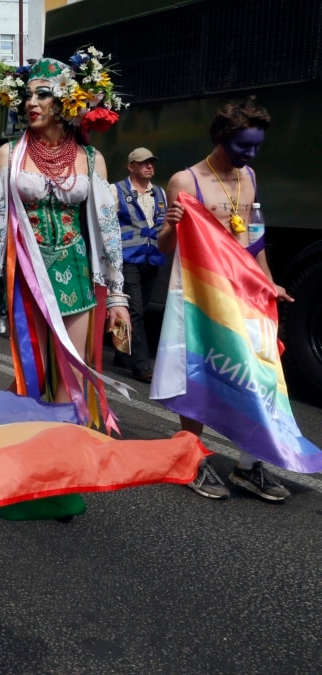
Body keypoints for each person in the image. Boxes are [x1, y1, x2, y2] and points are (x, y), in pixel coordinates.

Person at [0, 51, 130, 425]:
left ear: (66, 101)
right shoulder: (9, 155)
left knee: (73, 375)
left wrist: (117, 295)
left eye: (42, 94)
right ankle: (26, 450)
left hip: (77, 275)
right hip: (28, 276)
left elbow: (108, 231)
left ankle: (62, 458)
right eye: (27, 95)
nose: (31, 103)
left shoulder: (91, 159)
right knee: (34, 374)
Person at [158, 98, 294, 502]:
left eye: (255, 147)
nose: (249, 155)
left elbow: (253, 236)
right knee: (198, 374)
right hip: (200, 296)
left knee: (258, 375)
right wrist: (168, 227)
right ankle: (191, 460)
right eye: (242, 147)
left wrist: (269, 283)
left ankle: (248, 467)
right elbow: (167, 248)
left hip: (245, 294)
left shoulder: (248, 175)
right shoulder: (186, 181)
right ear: (220, 138)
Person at [112, 147, 166, 382]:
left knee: (141, 308)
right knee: (134, 311)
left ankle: (121, 352)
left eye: (151, 163)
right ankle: (142, 365)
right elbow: (106, 223)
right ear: (131, 166)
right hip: (127, 258)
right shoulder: (117, 191)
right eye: (143, 163)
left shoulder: (160, 194)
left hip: (151, 258)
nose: (149, 166)